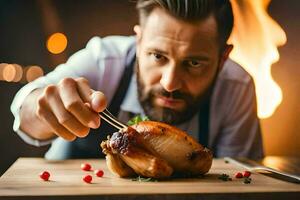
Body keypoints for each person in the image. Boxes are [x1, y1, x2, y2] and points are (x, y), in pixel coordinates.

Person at [11, 0, 264, 160]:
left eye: (194, 63)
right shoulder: (103, 61)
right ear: (139, 40)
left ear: (223, 58)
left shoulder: (236, 88)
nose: (170, 83)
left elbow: (238, 181)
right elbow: (25, 109)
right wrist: (44, 107)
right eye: (157, 56)